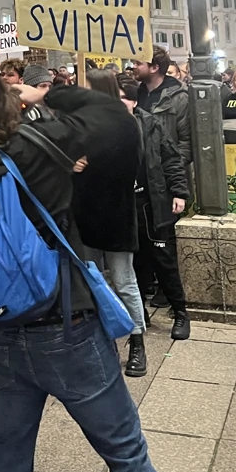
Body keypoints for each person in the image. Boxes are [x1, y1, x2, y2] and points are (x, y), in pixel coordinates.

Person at [0, 65, 160, 472]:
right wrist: (43, 97)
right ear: (6, 102)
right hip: (63, 322)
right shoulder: (37, 145)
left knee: (8, 459)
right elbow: (115, 119)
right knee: (125, 451)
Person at [78, 70, 147, 372]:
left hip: (116, 212)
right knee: (91, 279)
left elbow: (126, 168)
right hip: (85, 211)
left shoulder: (125, 124)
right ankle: (97, 340)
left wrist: (87, 163)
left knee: (123, 280)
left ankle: (137, 340)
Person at [118, 76, 190, 357]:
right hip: (124, 206)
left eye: (122, 98)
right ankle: (140, 313)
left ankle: (181, 311)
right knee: (135, 263)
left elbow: (171, 158)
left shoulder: (150, 123)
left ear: (134, 101)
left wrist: (179, 192)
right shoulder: (108, 128)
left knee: (164, 259)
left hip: (152, 202)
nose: (117, 103)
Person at [134, 47, 191, 192]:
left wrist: (169, 169)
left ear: (154, 68)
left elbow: (186, 141)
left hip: (166, 177)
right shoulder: (135, 94)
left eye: (138, 63)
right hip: (140, 174)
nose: (133, 67)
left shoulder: (178, 97)